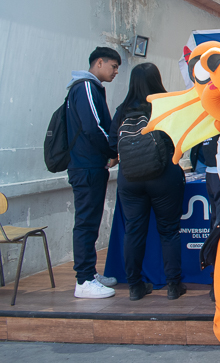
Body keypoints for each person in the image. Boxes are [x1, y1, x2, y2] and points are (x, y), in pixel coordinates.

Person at [109, 63, 187, 300]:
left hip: (129, 178)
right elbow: (181, 139)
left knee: (133, 231)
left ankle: (135, 286)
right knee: (169, 231)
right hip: (164, 177)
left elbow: (112, 145)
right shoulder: (166, 105)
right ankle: (173, 285)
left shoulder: (122, 111)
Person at [66, 46, 121, 299]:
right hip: (86, 166)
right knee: (86, 223)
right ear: (99, 62)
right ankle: (84, 280)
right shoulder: (86, 87)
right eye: (113, 66)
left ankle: (89, 272)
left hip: (90, 166)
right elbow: (94, 127)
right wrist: (112, 151)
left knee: (90, 222)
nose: (115, 72)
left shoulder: (90, 88)